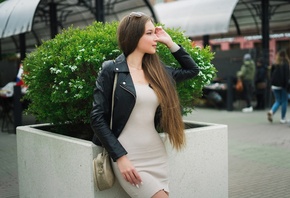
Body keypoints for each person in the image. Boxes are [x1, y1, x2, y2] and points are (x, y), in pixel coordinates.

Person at [90, 12, 199, 197]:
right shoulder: (112, 70)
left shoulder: (158, 72)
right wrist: (120, 157)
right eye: (149, 33)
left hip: (156, 154)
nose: (155, 37)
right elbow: (97, 117)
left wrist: (169, 42)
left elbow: (192, 70)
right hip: (128, 156)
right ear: (133, 36)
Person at [267, 50, 290, 123]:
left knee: (278, 101)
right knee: (284, 101)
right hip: (283, 85)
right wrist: (287, 86)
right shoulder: (286, 64)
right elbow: (286, 76)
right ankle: (283, 118)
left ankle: (271, 111)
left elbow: (270, 75)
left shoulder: (274, 64)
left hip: (274, 85)